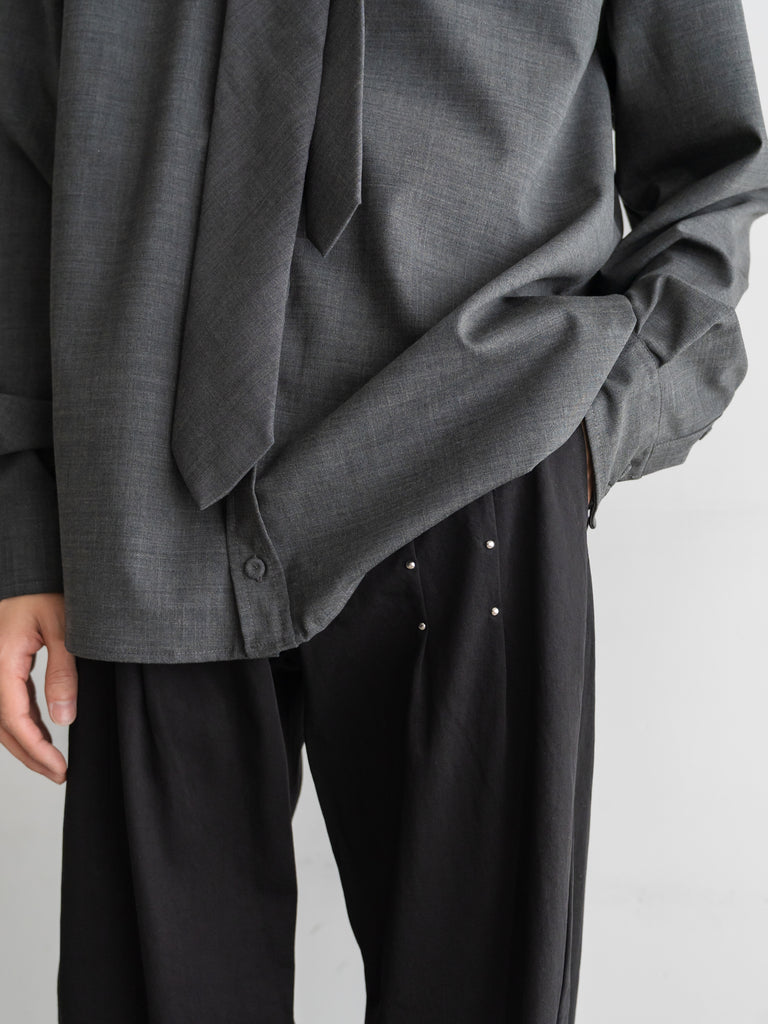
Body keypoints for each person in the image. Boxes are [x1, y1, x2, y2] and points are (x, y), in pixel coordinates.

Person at [1, 0, 767, 1021]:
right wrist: (24, 515)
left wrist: (594, 432)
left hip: (475, 460)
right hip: (146, 493)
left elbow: (714, 168)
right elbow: (20, 143)